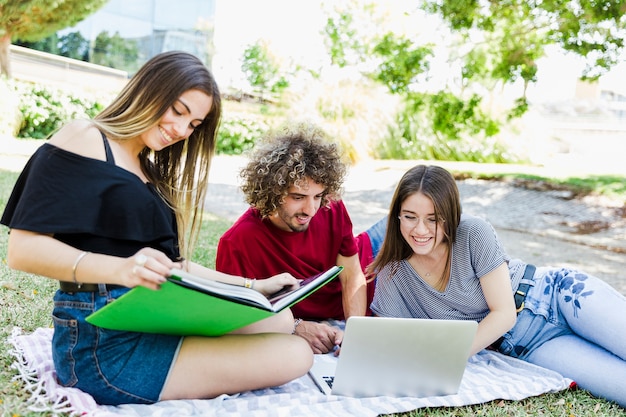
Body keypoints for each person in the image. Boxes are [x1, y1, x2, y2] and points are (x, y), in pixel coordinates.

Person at [0, 51, 313, 406]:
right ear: (149, 89)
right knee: (295, 355)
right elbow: (22, 250)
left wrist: (255, 286)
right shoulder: (86, 137)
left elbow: (173, 268)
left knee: (280, 318)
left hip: (158, 314)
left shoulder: (151, 172)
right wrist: (120, 268)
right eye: (178, 111)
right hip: (105, 341)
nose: (181, 130)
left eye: (194, 124)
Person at [368, 164, 626, 408]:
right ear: (397, 216)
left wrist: (447, 358)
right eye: (410, 217)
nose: (420, 229)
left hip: (561, 294)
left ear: (449, 216)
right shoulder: (393, 274)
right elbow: (392, 339)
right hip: (530, 345)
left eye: (433, 219)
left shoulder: (472, 232)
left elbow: (503, 313)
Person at [215, 122, 385, 354]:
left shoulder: (330, 207)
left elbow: (352, 274)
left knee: (435, 217)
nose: (311, 209)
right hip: (323, 313)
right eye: (298, 197)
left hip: (370, 265)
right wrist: (295, 327)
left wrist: (354, 332)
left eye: (318, 196)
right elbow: (237, 318)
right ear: (271, 191)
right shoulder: (237, 242)